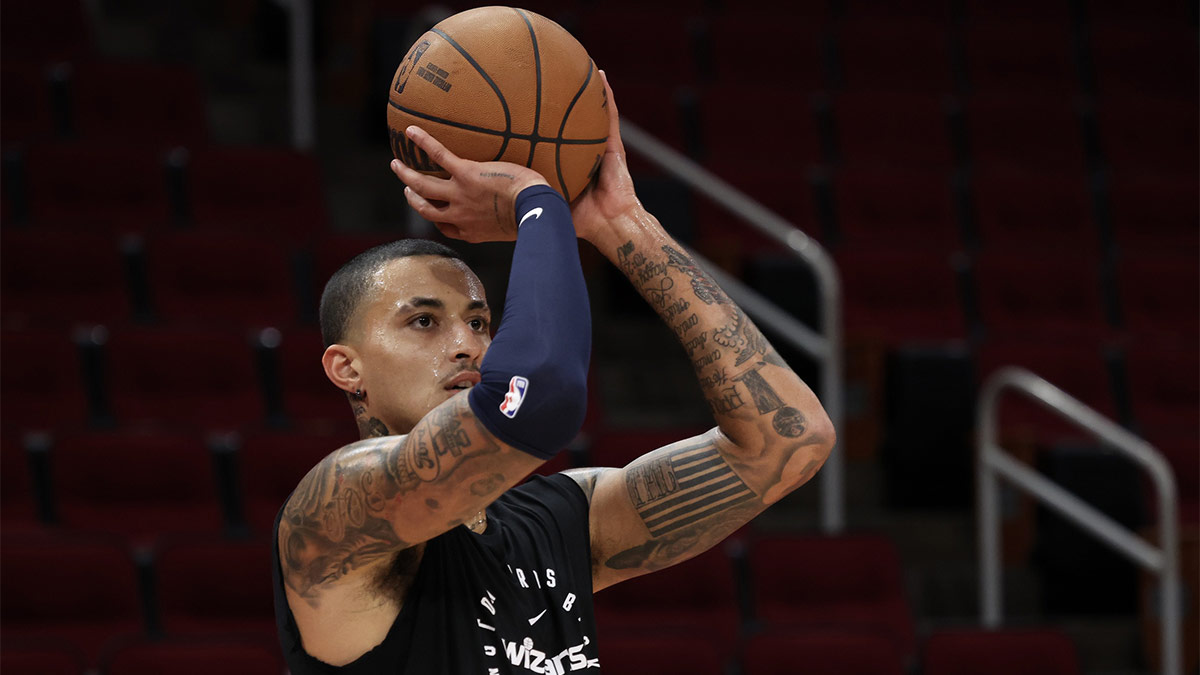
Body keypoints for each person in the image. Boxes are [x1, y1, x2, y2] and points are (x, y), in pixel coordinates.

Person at [272, 71, 836, 673]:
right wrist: (538, 203)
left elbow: (791, 437)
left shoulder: (560, 520)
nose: (468, 345)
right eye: (424, 323)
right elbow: (537, 398)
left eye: (481, 322)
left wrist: (620, 225)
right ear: (345, 367)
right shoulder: (335, 510)